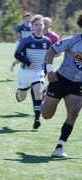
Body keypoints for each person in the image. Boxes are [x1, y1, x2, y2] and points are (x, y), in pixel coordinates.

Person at [41, 14, 82, 158]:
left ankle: (59, 146)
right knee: (46, 115)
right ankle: (45, 94)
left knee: (74, 112)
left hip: (77, 85)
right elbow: (51, 51)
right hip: (60, 80)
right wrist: (50, 71)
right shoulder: (74, 40)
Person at [14, 14, 50, 130]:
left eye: (41, 24)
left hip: (38, 72)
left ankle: (37, 119)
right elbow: (17, 54)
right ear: (32, 27)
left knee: (38, 92)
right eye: (36, 25)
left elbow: (47, 58)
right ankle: (18, 92)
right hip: (25, 72)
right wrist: (28, 62)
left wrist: (46, 72)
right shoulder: (26, 40)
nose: (39, 27)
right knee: (21, 98)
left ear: (44, 26)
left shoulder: (47, 41)